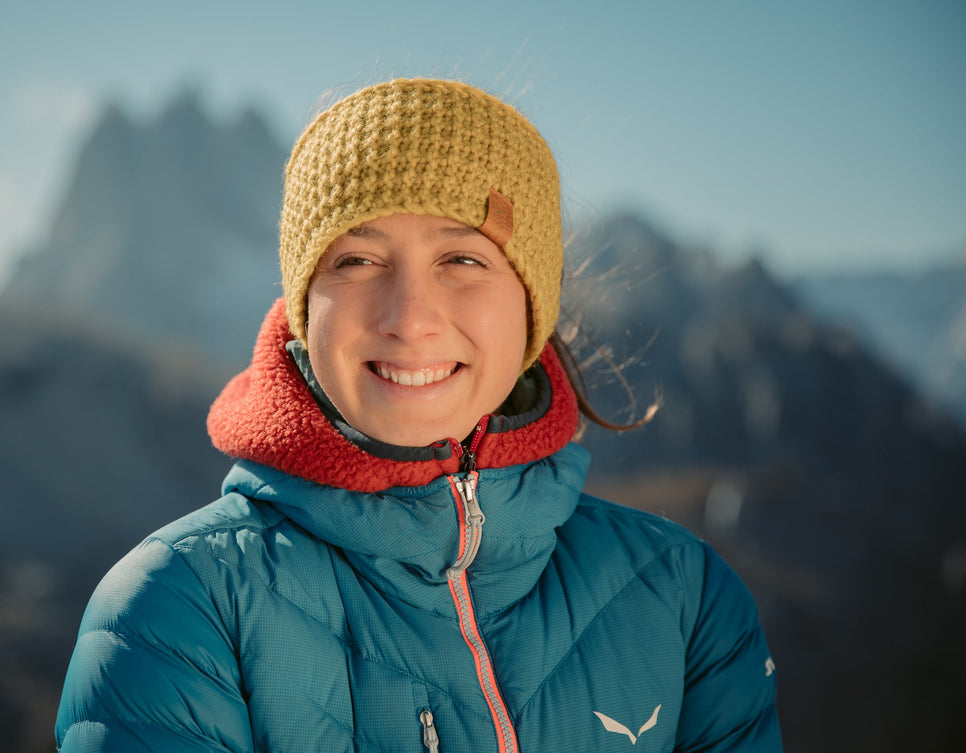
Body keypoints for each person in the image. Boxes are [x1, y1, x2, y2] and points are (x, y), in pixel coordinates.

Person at [54, 78, 782, 751]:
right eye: (356, 260)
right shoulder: (176, 612)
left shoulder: (685, 599)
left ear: (532, 305)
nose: (410, 318)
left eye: (463, 258)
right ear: (305, 308)